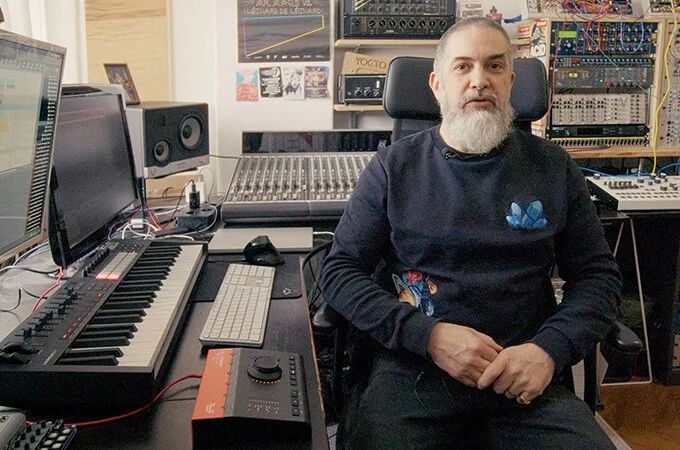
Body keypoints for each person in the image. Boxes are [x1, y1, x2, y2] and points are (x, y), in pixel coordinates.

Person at [320, 17, 621, 449]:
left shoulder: (554, 167)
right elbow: (340, 273)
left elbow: (598, 278)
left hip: (521, 374)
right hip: (415, 371)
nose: (479, 80)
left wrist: (549, 350)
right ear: (437, 84)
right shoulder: (392, 169)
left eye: (494, 66)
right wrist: (429, 337)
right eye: (463, 66)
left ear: (510, 81)